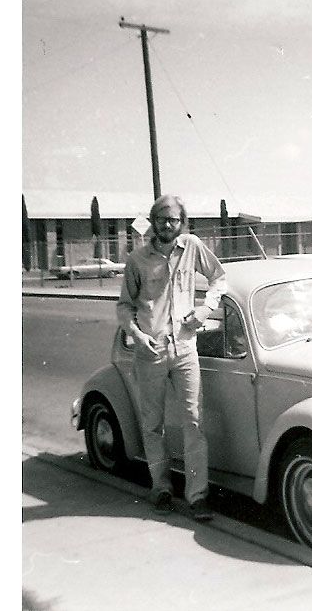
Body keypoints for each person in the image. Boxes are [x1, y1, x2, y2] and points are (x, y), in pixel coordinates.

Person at [117, 194, 227, 520]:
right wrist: (137, 336)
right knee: (153, 426)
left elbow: (219, 277)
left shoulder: (191, 246)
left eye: (174, 219)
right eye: (163, 218)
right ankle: (162, 489)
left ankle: (197, 497)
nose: (168, 225)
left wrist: (207, 308)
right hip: (150, 352)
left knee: (194, 423)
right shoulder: (137, 260)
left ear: (182, 222)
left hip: (185, 349)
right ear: (153, 221)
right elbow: (124, 307)